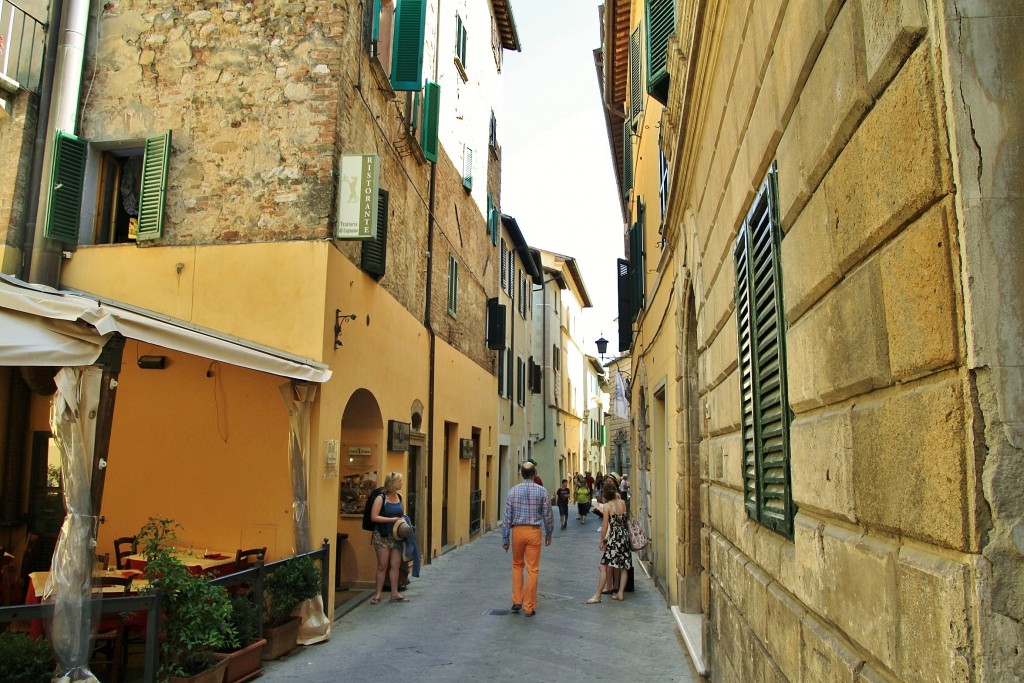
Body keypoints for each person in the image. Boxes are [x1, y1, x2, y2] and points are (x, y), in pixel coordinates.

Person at [502, 461, 554, 617]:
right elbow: (548, 515)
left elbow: (506, 517)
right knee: (533, 569)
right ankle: (529, 607)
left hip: (517, 531)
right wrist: (549, 533)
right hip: (534, 531)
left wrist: (505, 538)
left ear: (521, 474)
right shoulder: (542, 491)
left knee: (517, 565)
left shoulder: (513, 491)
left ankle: (517, 600)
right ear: (534, 474)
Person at [586, 480, 632, 603]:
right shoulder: (623, 503)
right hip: (624, 536)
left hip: (615, 537)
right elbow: (625, 518)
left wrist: (602, 541)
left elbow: (605, 526)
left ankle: (597, 595)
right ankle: (620, 593)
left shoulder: (607, 506)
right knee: (623, 566)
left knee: (603, 566)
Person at [368, 471, 409, 605]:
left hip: (396, 535)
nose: (402, 483)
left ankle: (394, 593)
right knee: (382, 565)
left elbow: (402, 514)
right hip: (382, 535)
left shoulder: (400, 497)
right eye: (399, 481)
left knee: (395, 565)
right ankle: (378, 594)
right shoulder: (381, 498)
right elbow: (374, 517)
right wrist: (391, 519)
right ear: (393, 484)